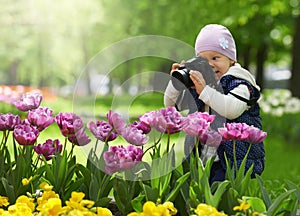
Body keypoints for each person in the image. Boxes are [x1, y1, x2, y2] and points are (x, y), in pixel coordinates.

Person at [164, 24, 265, 184]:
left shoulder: (240, 83)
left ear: (231, 59)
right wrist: (175, 83)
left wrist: (204, 91)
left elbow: (231, 109)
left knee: (221, 192)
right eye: (203, 60)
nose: (209, 64)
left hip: (232, 157)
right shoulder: (202, 82)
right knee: (196, 191)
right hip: (203, 154)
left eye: (215, 58)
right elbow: (172, 105)